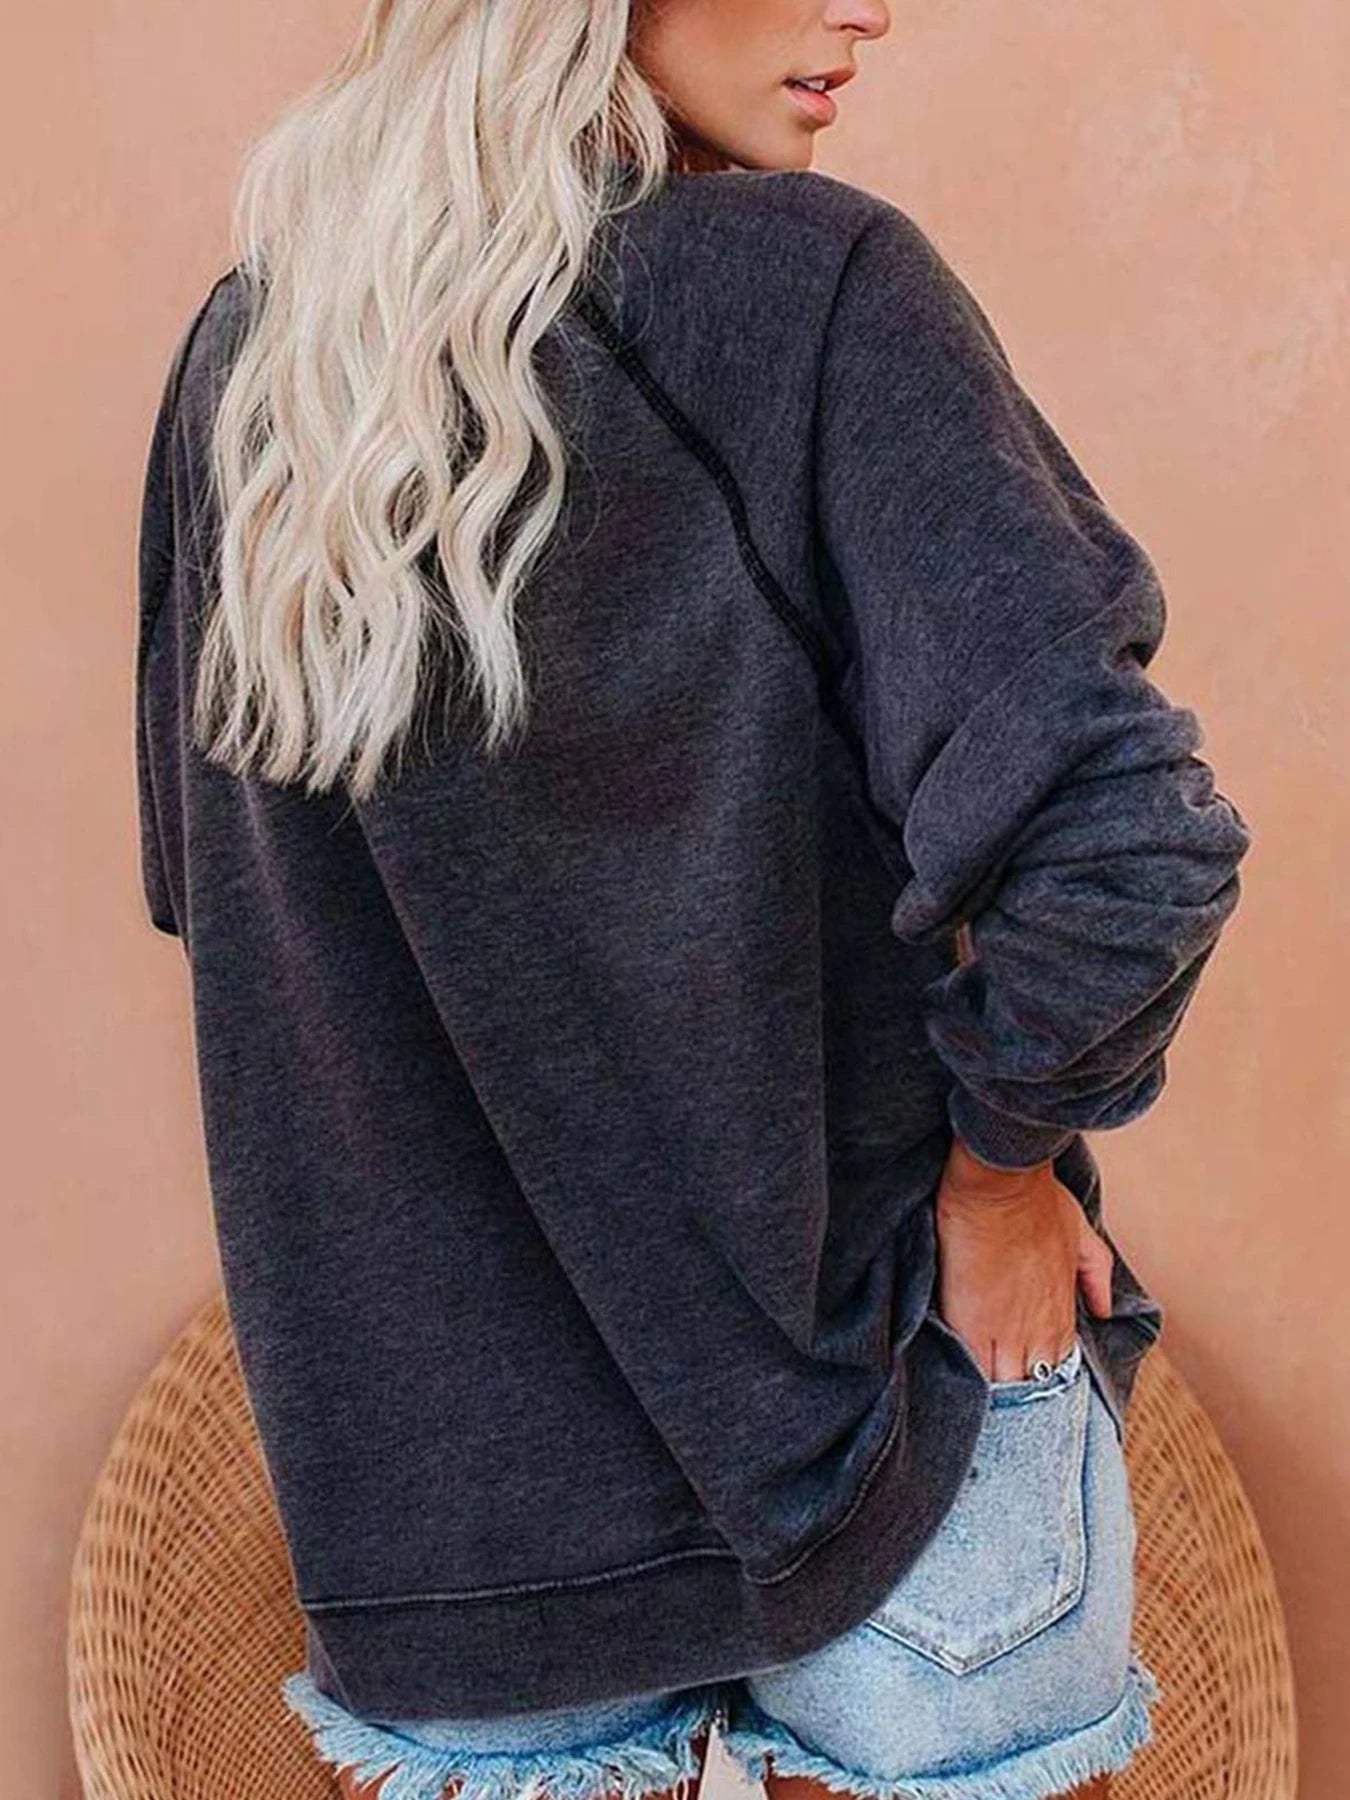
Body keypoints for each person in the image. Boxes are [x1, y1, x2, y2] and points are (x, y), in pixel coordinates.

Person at [133, 2, 1253, 1798]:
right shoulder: (809, 290)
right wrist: (999, 1175)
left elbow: (226, 909)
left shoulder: (252, 356)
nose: (865, 5)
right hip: (882, 1451)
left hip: (447, 1533)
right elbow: (1130, 845)